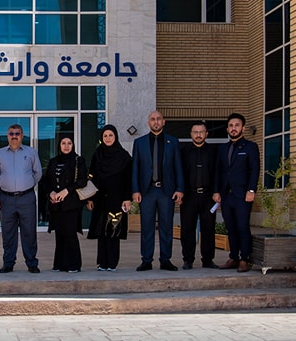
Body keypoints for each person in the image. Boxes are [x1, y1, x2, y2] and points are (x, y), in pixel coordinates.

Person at [131, 110, 184, 271]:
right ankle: (146, 260)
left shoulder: (173, 142)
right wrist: (135, 190)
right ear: (148, 123)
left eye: (158, 119)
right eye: (153, 119)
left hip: (166, 192)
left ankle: (165, 260)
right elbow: (135, 168)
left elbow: (178, 166)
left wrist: (180, 188)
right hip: (147, 191)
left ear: (163, 122)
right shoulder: (139, 143)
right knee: (146, 227)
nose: (156, 122)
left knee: (166, 227)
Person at [0, 124, 43, 273]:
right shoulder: (0, 154)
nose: (14, 136)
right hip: (6, 199)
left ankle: (32, 263)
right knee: (8, 233)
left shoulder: (31, 152)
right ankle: (8, 263)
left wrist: (27, 184)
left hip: (27, 198)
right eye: (11, 133)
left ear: (22, 135)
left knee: (29, 232)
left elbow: (38, 173)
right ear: (7, 136)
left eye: (17, 133)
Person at [213, 113, 260, 273]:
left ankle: (244, 259)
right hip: (226, 196)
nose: (234, 128)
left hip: (243, 195)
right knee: (230, 227)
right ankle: (233, 257)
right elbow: (218, 171)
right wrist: (216, 191)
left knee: (242, 227)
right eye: (231, 126)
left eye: (237, 125)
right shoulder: (222, 149)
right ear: (227, 129)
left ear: (243, 128)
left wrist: (251, 190)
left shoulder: (250, 147)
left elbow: (254, 170)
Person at [86, 125, 132, 271]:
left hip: (117, 198)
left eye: (110, 135)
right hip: (100, 198)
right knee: (101, 230)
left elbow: (128, 179)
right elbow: (92, 177)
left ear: (115, 137)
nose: (108, 138)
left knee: (113, 229)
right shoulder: (97, 154)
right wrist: (90, 198)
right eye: (105, 136)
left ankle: (112, 263)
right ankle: (102, 262)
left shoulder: (123, 156)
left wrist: (127, 198)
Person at [44, 134, 88, 272]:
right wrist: (51, 193)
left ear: (73, 145)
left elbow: (82, 180)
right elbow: (47, 181)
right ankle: (60, 264)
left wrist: (67, 191)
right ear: (59, 145)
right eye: (63, 143)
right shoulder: (53, 161)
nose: (66, 146)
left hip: (71, 203)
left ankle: (74, 264)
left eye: (69, 143)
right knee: (60, 234)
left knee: (70, 233)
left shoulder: (78, 161)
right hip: (56, 204)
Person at [179, 121, 218, 269]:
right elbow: (179, 173)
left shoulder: (214, 151)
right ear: (191, 134)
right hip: (189, 196)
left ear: (206, 134)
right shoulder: (183, 152)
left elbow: (218, 173)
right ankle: (188, 259)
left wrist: (217, 191)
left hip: (209, 196)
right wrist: (180, 192)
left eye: (201, 132)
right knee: (187, 229)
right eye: (195, 132)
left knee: (208, 228)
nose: (198, 135)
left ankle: (207, 260)